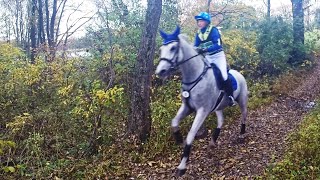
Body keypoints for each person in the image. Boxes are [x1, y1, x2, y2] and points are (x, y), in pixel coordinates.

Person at [194, 11, 235, 106]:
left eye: (201, 21)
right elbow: (195, 45)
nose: (199, 23)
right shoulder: (198, 33)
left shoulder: (213, 30)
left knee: (224, 76)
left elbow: (217, 45)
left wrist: (204, 49)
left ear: (207, 22)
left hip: (218, 56)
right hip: (207, 57)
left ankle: (230, 96)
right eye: (198, 21)